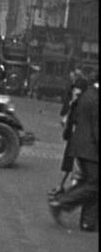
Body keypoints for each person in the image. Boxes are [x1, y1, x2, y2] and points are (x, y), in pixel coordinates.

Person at [49, 75, 98, 232]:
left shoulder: (87, 95)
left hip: (80, 146)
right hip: (91, 149)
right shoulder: (96, 99)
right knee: (93, 185)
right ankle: (62, 203)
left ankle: (88, 222)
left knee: (89, 182)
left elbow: (75, 117)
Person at [49, 77, 88, 198]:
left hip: (81, 139)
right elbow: (67, 117)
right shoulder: (74, 103)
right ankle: (61, 186)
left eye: (77, 92)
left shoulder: (83, 105)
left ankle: (73, 191)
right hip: (73, 137)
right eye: (74, 91)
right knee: (67, 162)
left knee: (77, 166)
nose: (74, 94)